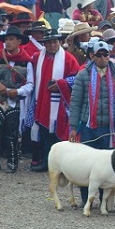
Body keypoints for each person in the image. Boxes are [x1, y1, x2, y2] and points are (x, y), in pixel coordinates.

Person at [69, 40, 115, 205]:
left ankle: (105, 200)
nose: (103, 58)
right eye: (99, 55)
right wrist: (73, 127)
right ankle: (85, 199)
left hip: (109, 128)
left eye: (106, 55)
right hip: (88, 126)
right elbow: (75, 103)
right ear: (91, 56)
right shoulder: (83, 75)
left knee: (107, 166)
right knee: (85, 164)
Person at [0, 27, 34, 173]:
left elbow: (31, 84)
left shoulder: (27, 62)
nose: (8, 42)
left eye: (11, 39)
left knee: (12, 132)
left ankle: (13, 162)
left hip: (16, 101)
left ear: (19, 41)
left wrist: (17, 91)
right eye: (6, 39)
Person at [29, 29, 79, 172]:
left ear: (60, 42)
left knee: (59, 133)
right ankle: (47, 161)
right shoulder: (37, 58)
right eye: (49, 42)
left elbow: (76, 78)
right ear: (44, 44)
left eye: (54, 42)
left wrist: (61, 84)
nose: (52, 45)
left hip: (60, 104)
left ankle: (62, 165)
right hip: (42, 100)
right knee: (44, 132)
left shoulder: (69, 59)